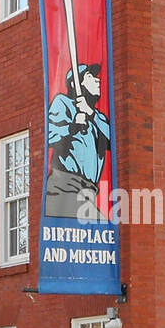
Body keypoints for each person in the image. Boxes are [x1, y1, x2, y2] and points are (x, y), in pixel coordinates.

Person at [46, 62, 111, 220]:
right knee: (100, 232)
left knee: (101, 236)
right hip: (65, 187)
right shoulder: (63, 103)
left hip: (88, 193)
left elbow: (111, 140)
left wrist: (90, 113)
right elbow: (50, 135)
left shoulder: (99, 117)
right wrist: (72, 127)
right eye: (90, 77)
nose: (97, 80)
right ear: (76, 84)